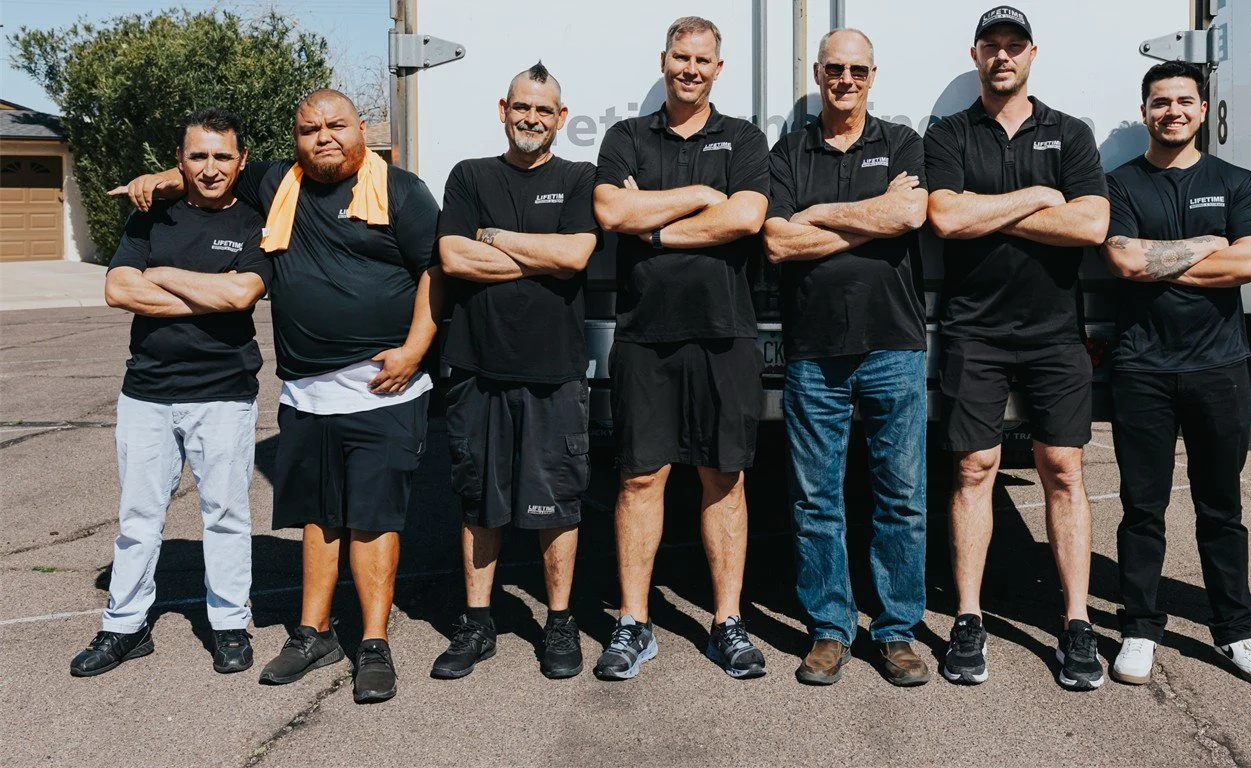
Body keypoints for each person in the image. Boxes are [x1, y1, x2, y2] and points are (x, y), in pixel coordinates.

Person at [117, 89, 443, 703]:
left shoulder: (402, 190)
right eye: (309, 128)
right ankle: (312, 633)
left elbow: (435, 270)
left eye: (337, 125)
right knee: (317, 519)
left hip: (382, 386)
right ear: (294, 139)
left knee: (372, 520)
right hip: (306, 391)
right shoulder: (277, 181)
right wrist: (162, 178)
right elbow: (209, 171)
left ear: (361, 131)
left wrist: (415, 349)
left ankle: (373, 642)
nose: (324, 136)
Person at [923, 5, 1110, 689]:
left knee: (1063, 468)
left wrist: (989, 211)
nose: (1003, 57)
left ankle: (1076, 621)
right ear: (975, 55)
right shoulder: (949, 133)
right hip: (976, 328)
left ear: (1033, 54)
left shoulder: (1070, 131)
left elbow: (1091, 224)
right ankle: (968, 619)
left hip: (1055, 331)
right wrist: (1036, 195)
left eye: (1014, 46)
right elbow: (945, 216)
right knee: (974, 468)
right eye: (992, 46)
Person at [591, 16, 771, 680]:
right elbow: (613, 213)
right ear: (663, 61)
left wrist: (658, 227)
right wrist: (700, 197)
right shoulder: (627, 138)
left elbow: (748, 217)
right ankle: (633, 623)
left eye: (703, 60)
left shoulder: (745, 139)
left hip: (725, 334)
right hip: (645, 337)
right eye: (680, 57)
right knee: (640, 478)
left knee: (724, 477)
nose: (690, 68)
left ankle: (727, 622)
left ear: (718, 69)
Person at [1098, 62, 1251, 688]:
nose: (1171, 111)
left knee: (1221, 507)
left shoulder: (1237, 181)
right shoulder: (1120, 184)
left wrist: (1164, 258)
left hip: (1219, 366)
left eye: (1184, 101)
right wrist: (1211, 245)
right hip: (1141, 367)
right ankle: (1140, 628)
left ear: (1204, 110)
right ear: (1144, 111)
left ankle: (1235, 631)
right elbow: (1123, 262)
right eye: (1159, 102)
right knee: (1141, 507)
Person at [72, 108, 269, 678]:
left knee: (227, 515)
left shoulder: (257, 221)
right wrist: (211, 292)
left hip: (223, 394)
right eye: (199, 156)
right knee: (138, 516)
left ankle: (230, 625)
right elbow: (116, 289)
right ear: (179, 161)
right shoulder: (150, 217)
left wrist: (157, 277)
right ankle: (124, 628)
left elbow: (243, 295)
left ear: (241, 162)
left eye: (223, 156)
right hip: (147, 395)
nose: (211, 168)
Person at [763, 28, 931, 686]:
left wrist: (821, 215)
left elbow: (908, 217)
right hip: (815, 353)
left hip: (894, 346)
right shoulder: (787, 153)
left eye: (857, 69)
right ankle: (830, 630)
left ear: (872, 74)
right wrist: (870, 212)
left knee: (903, 499)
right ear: (817, 71)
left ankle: (895, 632)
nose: (846, 79)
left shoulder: (901, 142)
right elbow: (777, 243)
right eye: (834, 69)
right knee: (815, 502)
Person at [431, 62, 598, 681]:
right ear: (503, 108)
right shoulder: (469, 176)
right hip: (478, 366)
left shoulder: (580, 176)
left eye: (543, 110)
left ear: (561, 116)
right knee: (479, 500)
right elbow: (452, 255)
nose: (531, 118)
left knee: (558, 499)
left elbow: (576, 253)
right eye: (521, 107)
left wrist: (496, 238)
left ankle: (559, 622)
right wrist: (540, 257)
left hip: (554, 370)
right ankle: (477, 623)